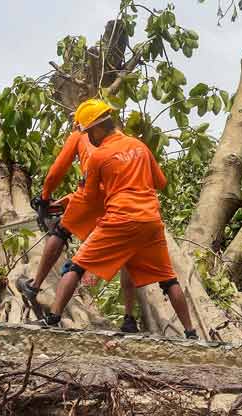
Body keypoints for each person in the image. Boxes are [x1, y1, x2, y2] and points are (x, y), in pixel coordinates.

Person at [32, 99, 197, 339]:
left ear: (97, 129)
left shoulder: (99, 156)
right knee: (168, 279)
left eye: (88, 133)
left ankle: (53, 319)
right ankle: (191, 334)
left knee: (77, 265)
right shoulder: (139, 146)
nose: (88, 137)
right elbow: (160, 182)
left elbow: (88, 198)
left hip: (120, 218)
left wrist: (65, 202)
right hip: (151, 221)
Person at [16, 99, 139, 333]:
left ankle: (35, 285)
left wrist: (45, 197)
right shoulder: (121, 139)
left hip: (91, 194)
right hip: (118, 198)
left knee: (60, 231)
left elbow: (57, 171)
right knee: (127, 255)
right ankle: (129, 318)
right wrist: (66, 200)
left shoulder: (80, 135)